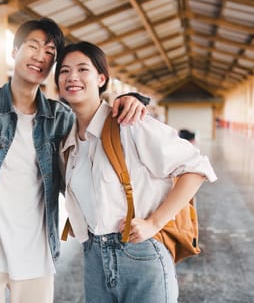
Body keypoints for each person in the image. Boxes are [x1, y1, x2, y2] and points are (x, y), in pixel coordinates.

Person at [0, 18, 147, 303]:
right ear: (14, 51)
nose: (41, 56)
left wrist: (132, 99)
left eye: (50, 52)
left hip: (36, 256)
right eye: (34, 46)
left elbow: (97, 122)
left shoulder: (60, 119)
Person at [55, 41, 217, 303]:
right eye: (64, 71)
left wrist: (154, 222)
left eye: (82, 69)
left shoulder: (129, 124)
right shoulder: (68, 142)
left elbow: (196, 168)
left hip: (140, 255)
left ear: (101, 78)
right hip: (94, 259)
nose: (72, 77)